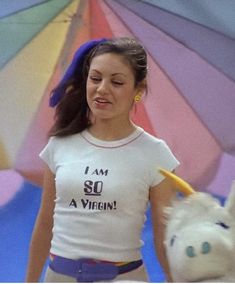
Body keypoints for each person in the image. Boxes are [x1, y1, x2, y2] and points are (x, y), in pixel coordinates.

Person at [26, 37, 180, 282]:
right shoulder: (60, 145)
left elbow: (165, 234)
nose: (102, 89)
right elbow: (45, 222)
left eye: (116, 82)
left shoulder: (156, 153)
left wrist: (175, 279)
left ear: (138, 91)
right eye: (95, 78)